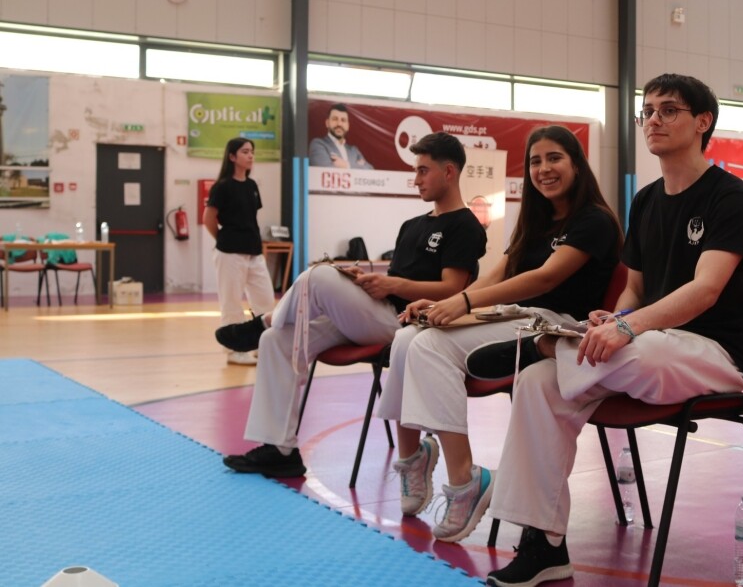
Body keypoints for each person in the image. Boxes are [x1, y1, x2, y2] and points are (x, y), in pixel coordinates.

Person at [477, 73, 743, 587]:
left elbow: (705, 290)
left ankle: (547, 345)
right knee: (536, 385)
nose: (653, 120)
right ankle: (544, 544)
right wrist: (616, 319)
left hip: (712, 353)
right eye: (647, 111)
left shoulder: (731, 197)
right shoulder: (647, 199)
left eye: (668, 110)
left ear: (703, 122)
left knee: (639, 350)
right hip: (646, 346)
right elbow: (634, 288)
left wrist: (629, 327)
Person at [375, 125, 621, 544]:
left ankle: (464, 481)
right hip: (518, 316)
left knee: (430, 346)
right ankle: (415, 457)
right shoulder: (535, 220)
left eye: (555, 158)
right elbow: (499, 273)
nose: (544, 169)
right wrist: (448, 304)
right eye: (535, 161)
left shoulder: (594, 220)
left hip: (556, 325)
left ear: (577, 164)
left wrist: (465, 302)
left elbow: (544, 278)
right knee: (409, 337)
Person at [219, 132, 486, 477]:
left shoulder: (465, 225)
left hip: (409, 326)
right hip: (379, 312)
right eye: (416, 171)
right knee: (277, 340)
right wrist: (368, 281)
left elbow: (452, 290)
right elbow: (396, 280)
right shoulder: (412, 225)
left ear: (449, 172)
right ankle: (280, 449)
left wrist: (391, 284)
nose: (416, 180)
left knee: (318, 276)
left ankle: (264, 320)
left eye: (423, 171)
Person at [203, 138, 275, 366]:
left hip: (254, 253)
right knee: (231, 303)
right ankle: (234, 350)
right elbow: (208, 219)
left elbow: (250, 218)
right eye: (245, 152)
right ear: (232, 156)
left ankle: (263, 345)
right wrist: (224, 240)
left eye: (252, 151)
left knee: (265, 301)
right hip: (229, 254)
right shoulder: (222, 187)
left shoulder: (252, 186)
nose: (250, 155)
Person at [308, 102, 373, 169]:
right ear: (327, 123)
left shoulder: (354, 150)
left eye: (343, 120)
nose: (339, 124)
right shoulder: (318, 144)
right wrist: (358, 166)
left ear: (348, 126)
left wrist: (347, 165)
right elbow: (324, 169)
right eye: (335, 119)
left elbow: (370, 170)